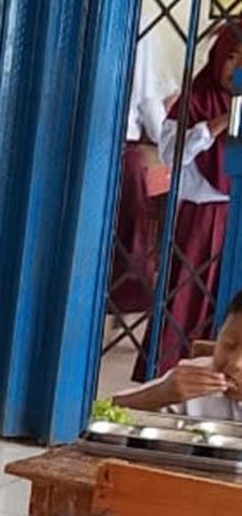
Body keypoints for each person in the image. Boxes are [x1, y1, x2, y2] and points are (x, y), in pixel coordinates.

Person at [152, 25, 241, 375]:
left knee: (228, 304)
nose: (235, 68)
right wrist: (215, 125)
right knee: (188, 301)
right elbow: (170, 154)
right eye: (230, 58)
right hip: (201, 219)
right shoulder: (195, 100)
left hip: (234, 217)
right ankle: (174, 373)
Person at [114, 31, 180, 316]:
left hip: (63, 149)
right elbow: (148, 101)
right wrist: (169, 139)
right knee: (129, 235)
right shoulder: (140, 25)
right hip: (119, 150)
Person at [113, 288, 241, 420]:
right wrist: (160, 394)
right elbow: (105, 409)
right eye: (228, 344)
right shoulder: (195, 376)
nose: (235, 364)